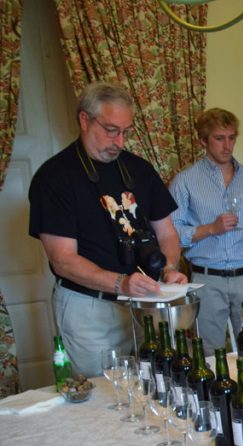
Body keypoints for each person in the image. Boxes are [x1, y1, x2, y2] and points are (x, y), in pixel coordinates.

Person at [28, 82, 187, 377]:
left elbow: (167, 234)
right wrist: (120, 283)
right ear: (84, 120)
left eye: (126, 131)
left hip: (142, 302)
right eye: (112, 130)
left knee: (151, 389)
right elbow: (62, 260)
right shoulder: (54, 176)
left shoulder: (139, 168)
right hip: (89, 308)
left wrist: (169, 268)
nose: (120, 141)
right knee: (103, 399)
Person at [170, 108, 243, 353]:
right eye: (219, 138)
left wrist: (235, 246)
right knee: (210, 353)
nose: (227, 146)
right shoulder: (185, 181)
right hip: (206, 279)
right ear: (203, 140)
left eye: (232, 137)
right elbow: (172, 235)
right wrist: (211, 229)